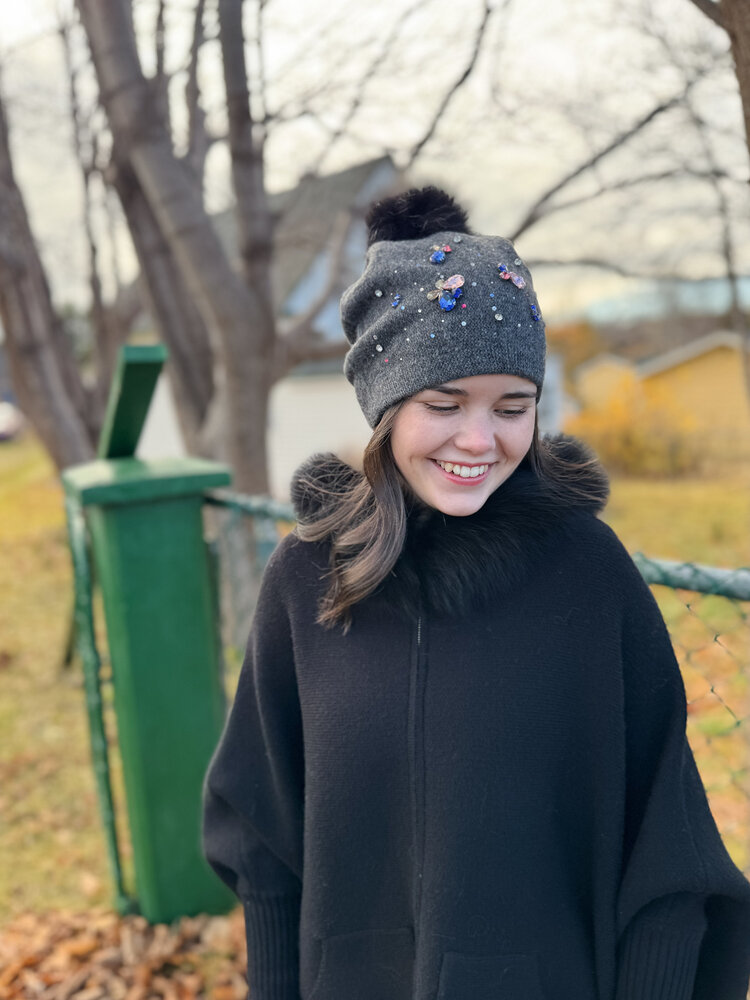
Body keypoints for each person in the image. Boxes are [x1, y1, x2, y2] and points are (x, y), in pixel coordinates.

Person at [201, 187, 750, 1000]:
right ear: (385, 407)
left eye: (512, 407)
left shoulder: (589, 576)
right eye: (443, 403)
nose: (478, 439)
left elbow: (667, 853)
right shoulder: (309, 580)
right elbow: (264, 835)